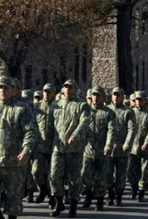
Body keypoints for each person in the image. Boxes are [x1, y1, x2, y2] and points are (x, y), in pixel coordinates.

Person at [0, 76, 38, 219]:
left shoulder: (22, 109)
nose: (2, 90)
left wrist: (26, 150)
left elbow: (30, 131)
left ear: (13, 90)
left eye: (6, 88)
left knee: (14, 196)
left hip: (14, 160)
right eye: (0, 87)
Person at [49, 79, 92, 217]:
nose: (68, 89)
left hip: (75, 148)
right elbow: (50, 125)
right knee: (55, 176)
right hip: (58, 147)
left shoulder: (82, 105)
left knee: (74, 179)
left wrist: (75, 135)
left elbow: (84, 122)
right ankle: (58, 202)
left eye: (71, 87)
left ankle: (73, 205)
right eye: (66, 87)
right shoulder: (55, 105)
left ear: (76, 89)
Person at [105, 87, 135, 206]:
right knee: (108, 174)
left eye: (118, 95)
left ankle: (118, 196)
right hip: (108, 149)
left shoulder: (128, 111)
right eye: (114, 95)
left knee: (121, 175)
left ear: (123, 97)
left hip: (122, 148)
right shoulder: (107, 110)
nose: (116, 97)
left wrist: (128, 143)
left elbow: (131, 129)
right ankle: (110, 195)